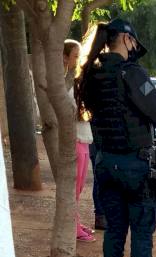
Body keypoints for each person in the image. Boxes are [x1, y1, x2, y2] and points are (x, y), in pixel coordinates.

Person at [74, 19, 156, 257]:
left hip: (106, 165)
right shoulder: (131, 74)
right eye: (134, 42)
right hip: (136, 167)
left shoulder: (91, 75)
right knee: (142, 234)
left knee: (115, 231)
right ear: (124, 38)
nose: (135, 48)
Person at [63, 39, 95, 242]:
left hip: (82, 139)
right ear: (65, 56)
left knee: (80, 186)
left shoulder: (73, 78)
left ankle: (74, 222)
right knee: (74, 187)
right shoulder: (66, 80)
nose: (78, 59)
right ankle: (72, 227)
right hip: (75, 138)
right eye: (75, 55)